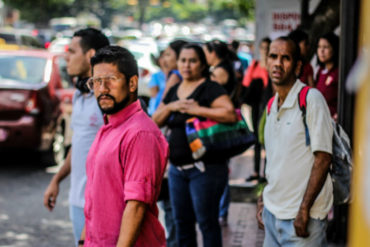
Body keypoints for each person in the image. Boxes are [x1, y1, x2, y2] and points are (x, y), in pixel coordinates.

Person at [79, 46, 169, 247]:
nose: (102, 89)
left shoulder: (140, 133)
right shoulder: (109, 127)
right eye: (96, 82)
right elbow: (95, 196)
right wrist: (83, 240)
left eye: (111, 80)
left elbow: (136, 206)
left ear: (132, 83)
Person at [152, 43, 237, 247]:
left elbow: (229, 113)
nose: (186, 65)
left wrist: (198, 110)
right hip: (177, 171)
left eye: (192, 61)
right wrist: (173, 106)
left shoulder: (210, 87)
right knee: (182, 224)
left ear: (202, 64)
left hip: (205, 169)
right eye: (183, 60)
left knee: (207, 223)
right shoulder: (175, 89)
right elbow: (155, 120)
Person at [257, 36, 334, 246]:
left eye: (286, 58)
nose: (278, 63)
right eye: (273, 56)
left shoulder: (311, 99)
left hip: (302, 219)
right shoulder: (271, 105)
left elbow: (324, 158)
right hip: (272, 215)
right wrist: (263, 197)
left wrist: (304, 209)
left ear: (298, 66)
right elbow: (274, 158)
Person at [43, 28, 109, 246]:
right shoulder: (81, 95)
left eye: (71, 51)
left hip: (101, 205)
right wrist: (56, 180)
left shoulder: (107, 99)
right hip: (77, 200)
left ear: (91, 55)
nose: (66, 57)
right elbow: (80, 144)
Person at [203, 39, 239, 226]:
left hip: (220, 125)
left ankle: (220, 210)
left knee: (221, 168)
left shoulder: (219, 71)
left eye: (205, 52)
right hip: (219, 123)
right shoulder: (223, 67)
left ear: (213, 53)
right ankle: (220, 209)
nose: (204, 56)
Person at [242, 37, 272, 182]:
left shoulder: (272, 67)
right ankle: (255, 171)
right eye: (263, 47)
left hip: (268, 107)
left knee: (266, 140)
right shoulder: (254, 65)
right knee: (256, 139)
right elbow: (246, 83)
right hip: (255, 106)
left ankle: (266, 172)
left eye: (268, 48)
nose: (265, 51)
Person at [315, 32, 339, 118]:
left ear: (334, 49)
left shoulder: (338, 73)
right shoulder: (319, 71)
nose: (321, 51)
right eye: (319, 47)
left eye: (325, 47)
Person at [148, 51, 168, 116]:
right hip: (156, 111)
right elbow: (154, 94)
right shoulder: (155, 76)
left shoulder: (175, 74)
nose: (165, 59)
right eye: (162, 57)